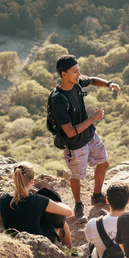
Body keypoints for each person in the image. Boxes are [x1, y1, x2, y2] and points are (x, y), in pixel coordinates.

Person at [52, 54, 121, 223]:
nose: (79, 74)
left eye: (79, 70)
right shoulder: (58, 99)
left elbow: (91, 80)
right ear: (64, 75)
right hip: (75, 144)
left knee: (103, 163)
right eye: (75, 71)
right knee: (77, 176)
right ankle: (78, 205)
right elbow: (69, 131)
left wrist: (109, 84)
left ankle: (96, 196)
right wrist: (93, 119)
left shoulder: (76, 83)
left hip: (90, 135)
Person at [0, 162, 73, 249]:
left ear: (14, 178)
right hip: (37, 244)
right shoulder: (38, 200)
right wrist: (56, 203)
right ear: (32, 180)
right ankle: (71, 252)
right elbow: (69, 212)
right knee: (61, 221)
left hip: (13, 242)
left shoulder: (2, 198)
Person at [85, 181, 129, 258]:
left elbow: (89, 239)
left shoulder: (93, 224)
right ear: (128, 201)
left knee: (92, 245)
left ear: (107, 200)